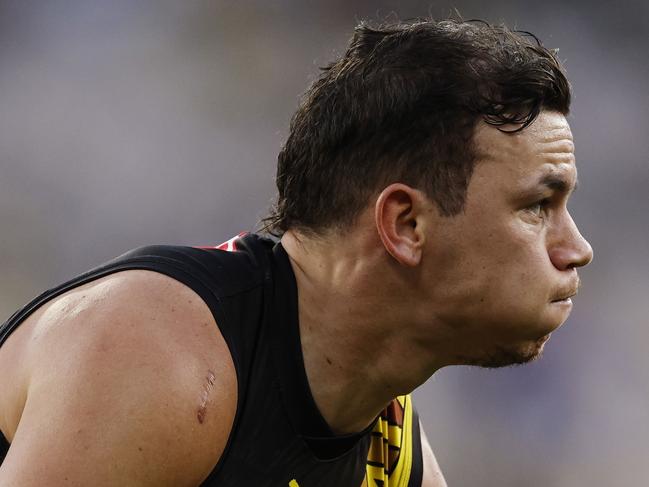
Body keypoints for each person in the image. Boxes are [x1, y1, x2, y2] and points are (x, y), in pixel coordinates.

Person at [0, 18, 592, 487]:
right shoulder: (161, 355)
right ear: (406, 223)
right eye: (538, 206)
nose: (578, 249)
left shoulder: (388, 440)